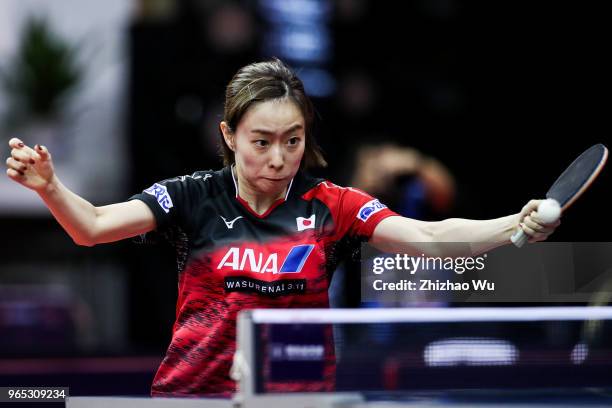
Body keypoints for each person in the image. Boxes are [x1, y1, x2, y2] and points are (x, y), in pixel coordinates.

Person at [5, 58, 559, 397]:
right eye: (261, 141)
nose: (278, 158)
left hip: (294, 397)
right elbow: (94, 226)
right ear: (229, 135)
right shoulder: (192, 195)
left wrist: (514, 225)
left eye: (292, 140)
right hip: (193, 396)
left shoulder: (332, 206)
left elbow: (430, 239)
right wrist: (50, 188)